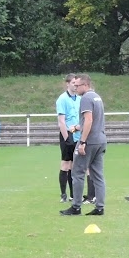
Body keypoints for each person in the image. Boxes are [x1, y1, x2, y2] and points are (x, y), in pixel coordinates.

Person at [62, 74, 105, 217]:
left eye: (77, 85)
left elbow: (89, 120)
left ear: (85, 85)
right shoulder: (97, 97)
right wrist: (77, 127)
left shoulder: (86, 98)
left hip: (89, 142)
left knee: (77, 173)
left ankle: (76, 207)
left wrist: (82, 142)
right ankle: (100, 207)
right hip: (100, 140)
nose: (75, 87)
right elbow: (94, 121)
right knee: (98, 175)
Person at [56, 74, 80, 203]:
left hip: (77, 134)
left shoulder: (80, 98)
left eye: (77, 84)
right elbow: (61, 121)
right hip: (68, 135)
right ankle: (63, 194)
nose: (76, 86)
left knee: (74, 165)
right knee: (65, 164)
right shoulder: (62, 99)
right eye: (73, 83)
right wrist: (67, 138)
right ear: (67, 84)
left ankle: (73, 194)